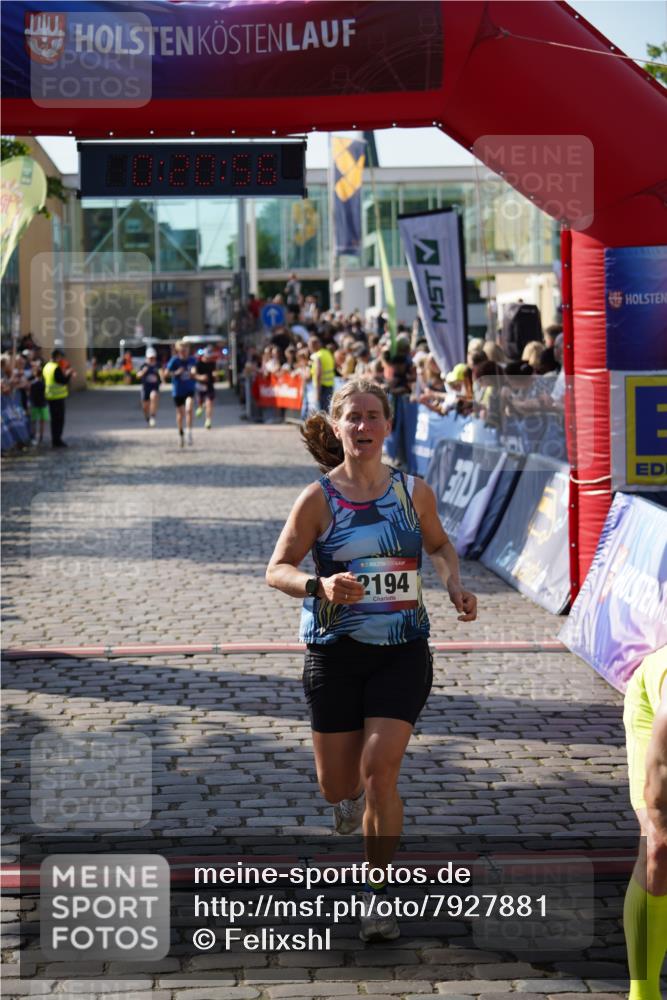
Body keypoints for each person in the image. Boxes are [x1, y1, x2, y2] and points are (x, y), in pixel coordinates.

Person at [265, 377, 477, 942]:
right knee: (338, 785)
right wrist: (319, 585)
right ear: (337, 427)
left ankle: (377, 895)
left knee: (380, 772)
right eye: (352, 418)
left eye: (373, 416)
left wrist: (453, 583)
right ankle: (344, 801)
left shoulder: (414, 492)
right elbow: (276, 568)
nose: (363, 427)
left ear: (388, 425)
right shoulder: (318, 498)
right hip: (335, 654)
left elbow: (437, 545)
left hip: (402, 651)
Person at [623, 645, 667, 1000]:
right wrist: (660, 823)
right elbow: (661, 764)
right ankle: (644, 992)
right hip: (654, 715)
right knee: (658, 848)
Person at [43, 348, 75, 448]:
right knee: (59, 420)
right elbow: (62, 381)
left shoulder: (47, 366)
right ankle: (57, 440)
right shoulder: (55, 368)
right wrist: (69, 374)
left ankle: (55, 440)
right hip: (57, 397)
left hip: (49, 395)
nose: (61, 359)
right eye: (60, 357)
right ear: (57, 356)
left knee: (54, 420)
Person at [167, 340, 197, 447]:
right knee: (180, 414)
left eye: (186, 350)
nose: (184, 352)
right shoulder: (174, 361)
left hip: (189, 389)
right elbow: (166, 373)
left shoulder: (192, 360)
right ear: (178, 350)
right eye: (182, 350)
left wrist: (194, 372)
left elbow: (195, 369)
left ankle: (189, 432)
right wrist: (176, 373)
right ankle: (180, 434)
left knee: (189, 409)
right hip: (178, 390)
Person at [308, 335, 335, 415]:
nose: (309, 348)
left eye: (309, 346)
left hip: (322, 387)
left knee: (322, 412)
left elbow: (318, 374)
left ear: (314, 345)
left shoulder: (317, 356)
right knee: (327, 410)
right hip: (330, 385)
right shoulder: (327, 353)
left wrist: (317, 391)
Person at [136, 348, 162, 427]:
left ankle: (152, 416)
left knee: (153, 396)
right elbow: (138, 375)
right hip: (145, 388)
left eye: (153, 358)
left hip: (154, 387)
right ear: (147, 357)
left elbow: (162, 373)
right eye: (150, 358)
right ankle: (147, 419)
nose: (151, 359)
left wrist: (162, 377)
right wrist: (143, 371)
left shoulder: (157, 365)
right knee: (145, 407)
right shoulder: (143, 365)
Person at [195, 346, 217, 429]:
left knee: (209, 403)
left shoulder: (212, 363)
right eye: (207, 357)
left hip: (209, 386)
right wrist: (200, 377)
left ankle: (208, 420)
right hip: (200, 386)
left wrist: (215, 376)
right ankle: (200, 407)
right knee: (201, 402)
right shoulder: (198, 363)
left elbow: (215, 374)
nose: (209, 359)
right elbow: (194, 374)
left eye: (210, 357)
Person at [29, 359, 48, 444]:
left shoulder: (32, 383)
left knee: (34, 422)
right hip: (43, 404)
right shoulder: (44, 383)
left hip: (35, 404)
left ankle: (34, 437)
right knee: (42, 422)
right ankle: (40, 437)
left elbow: (30, 394)